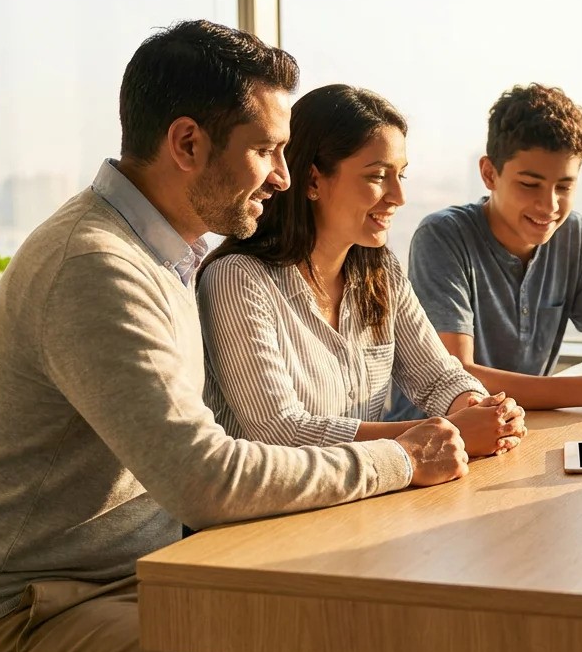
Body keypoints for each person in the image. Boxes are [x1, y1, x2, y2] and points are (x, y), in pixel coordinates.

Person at [0, 21, 466, 652]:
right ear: (187, 143)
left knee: (385, 643)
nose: (285, 178)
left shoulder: (168, 258)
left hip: (149, 579)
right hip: (22, 621)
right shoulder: (95, 265)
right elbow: (204, 481)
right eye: (268, 151)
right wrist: (403, 458)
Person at [198, 84, 526, 458]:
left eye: (400, 175)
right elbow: (280, 431)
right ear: (312, 180)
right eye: (376, 176)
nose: (398, 197)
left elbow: (438, 377)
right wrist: (446, 433)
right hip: (269, 514)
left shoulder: (380, 271)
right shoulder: (237, 280)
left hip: (367, 500)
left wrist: (481, 410)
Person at [389, 84, 582, 421]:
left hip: (520, 432)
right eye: (530, 184)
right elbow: (458, 375)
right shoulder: (443, 236)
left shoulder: (572, 235)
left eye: (564, 186)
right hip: (436, 440)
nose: (549, 204)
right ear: (489, 173)